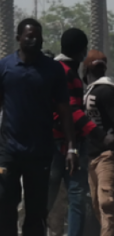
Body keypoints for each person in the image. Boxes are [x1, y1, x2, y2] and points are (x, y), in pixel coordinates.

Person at [0, 18, 79, 236]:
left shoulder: (52, 70)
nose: (34, 40)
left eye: (38, 36)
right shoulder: (5, 67)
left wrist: (71, 148)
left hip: (40, 152)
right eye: (29, 36)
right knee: (5, 206)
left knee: (36, 212)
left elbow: (65, 110)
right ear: (19, 38)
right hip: (9, 152)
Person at [48, 28, 104, 236]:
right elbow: (72, 111)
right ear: (81, 52)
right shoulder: (66, 73)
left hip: (55, 143)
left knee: (50, 198)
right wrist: (98, 133)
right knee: (76, 199)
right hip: (63, 145)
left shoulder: (56, 68)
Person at [82, 50, 114, 236]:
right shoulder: (91, 91)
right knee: (97, 206)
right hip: (92, 156)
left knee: (106, 203)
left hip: (109, 156)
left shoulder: (105, 91)